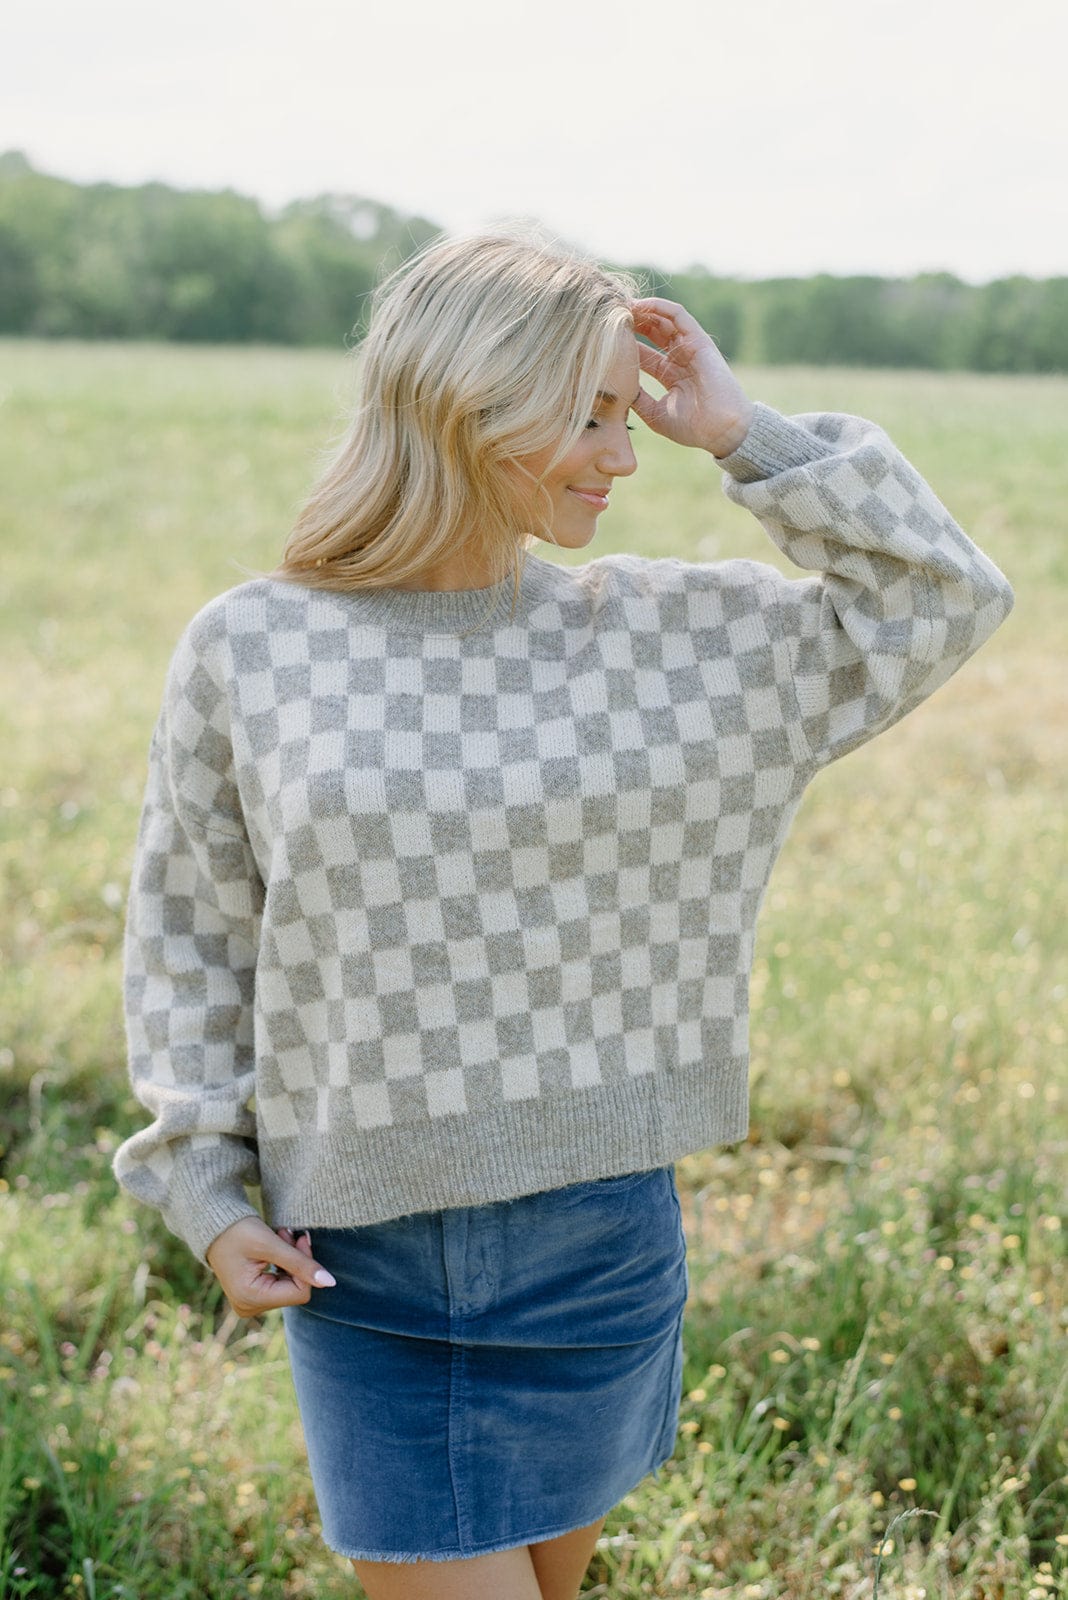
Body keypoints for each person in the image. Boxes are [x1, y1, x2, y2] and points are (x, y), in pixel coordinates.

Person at [113, 225, 1013, 1600]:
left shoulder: (667, 637)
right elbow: (192, 929)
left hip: (601, 1252)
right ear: (471, 404)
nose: (624, 452)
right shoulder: (257, 646)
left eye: (630, 410)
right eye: (589, 414)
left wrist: (744, 432)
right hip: (365, 1270)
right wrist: (197, 1178)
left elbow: (940, 596)